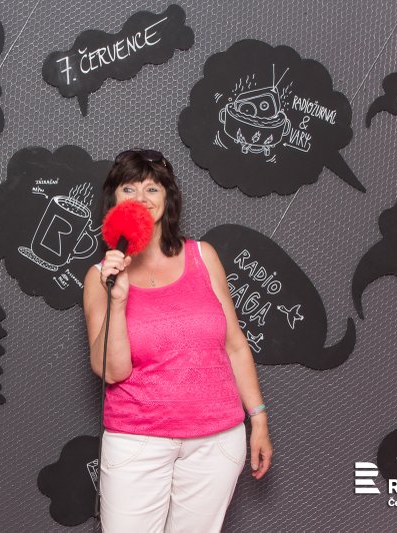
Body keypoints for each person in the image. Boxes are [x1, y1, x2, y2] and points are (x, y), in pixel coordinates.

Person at [83, 149, 273, 533]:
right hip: (138, 441)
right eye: (129, 188)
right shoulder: (100, 277)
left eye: (152, 188)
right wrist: (118, 300)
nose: (141, 197)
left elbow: (235, 345)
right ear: (114, 199)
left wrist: (259, 418)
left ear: (167, 198)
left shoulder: (204, 256)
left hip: (216, 441)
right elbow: (112, 371)